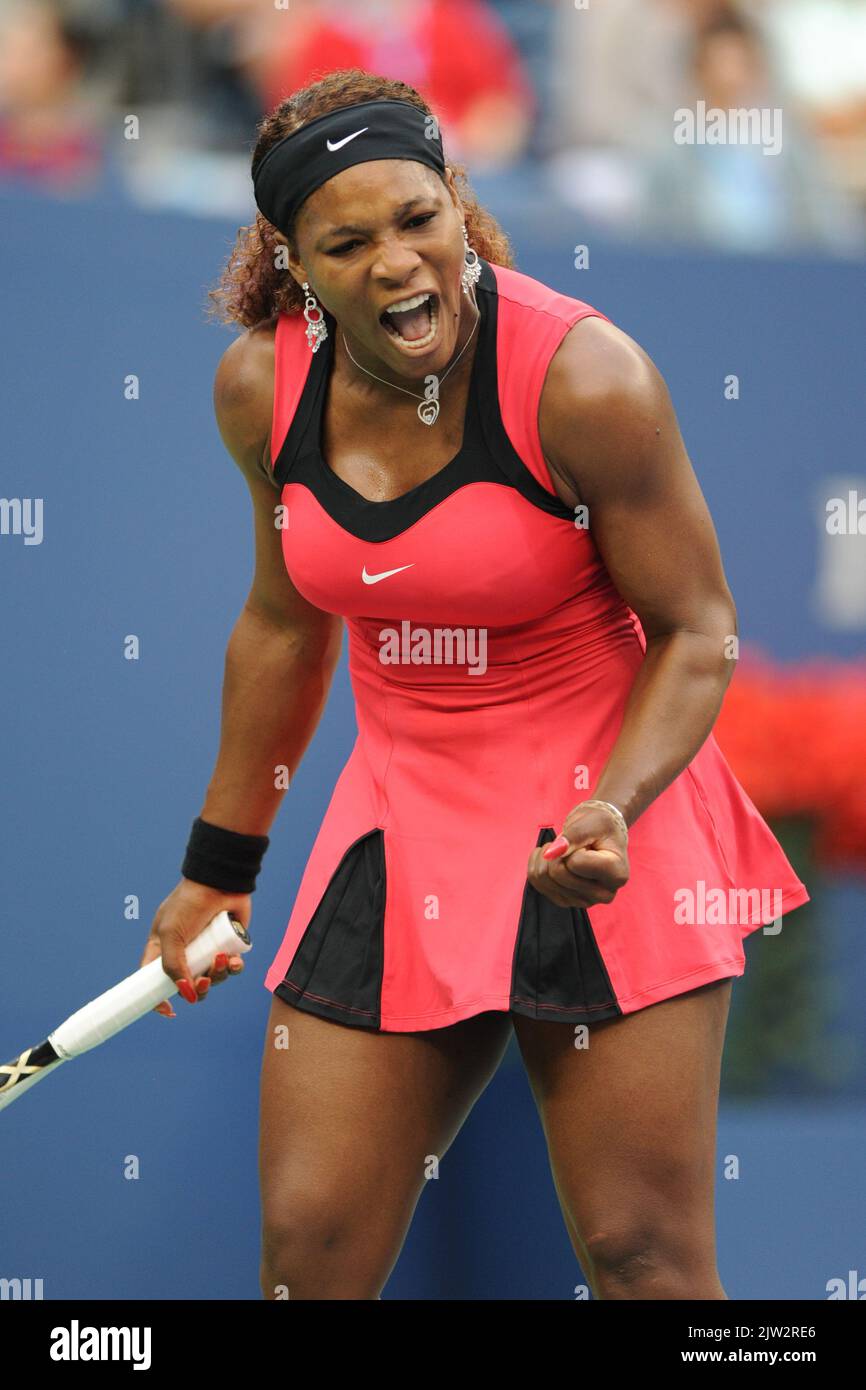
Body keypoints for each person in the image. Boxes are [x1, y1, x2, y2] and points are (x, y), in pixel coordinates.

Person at [139, 68, 810, 1300]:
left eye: (417, 218)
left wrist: (612, 805)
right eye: (347, 242)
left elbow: (697, 627)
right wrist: (214, 872)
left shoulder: (584, 378)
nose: (399, 263)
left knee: (641, 1253)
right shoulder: (262, 390)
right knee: (309, 1251)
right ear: (292, 262)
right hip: (400, 821)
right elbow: (286, 626)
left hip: (611, 815)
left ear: (458, 203)